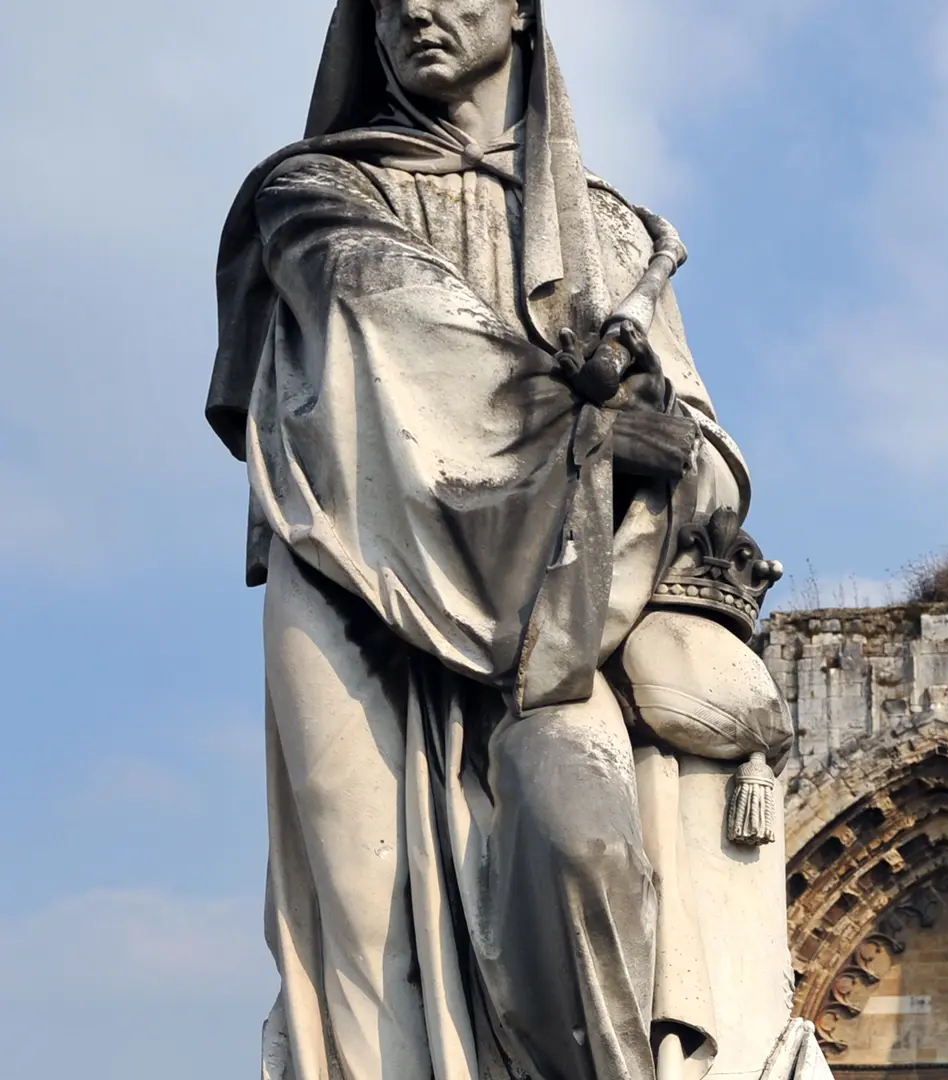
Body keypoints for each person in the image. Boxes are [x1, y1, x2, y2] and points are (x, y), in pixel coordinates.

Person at [205, 2, 765, 1077]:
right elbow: (394, 330)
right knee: (364, 920)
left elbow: (709, 455)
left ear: (520, 8)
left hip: (556, 615)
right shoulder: (315, 192)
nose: (416, 9)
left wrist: (671, 441)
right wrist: (593, 430)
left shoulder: (611, 234)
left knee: (580, 831)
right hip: (351, 567)